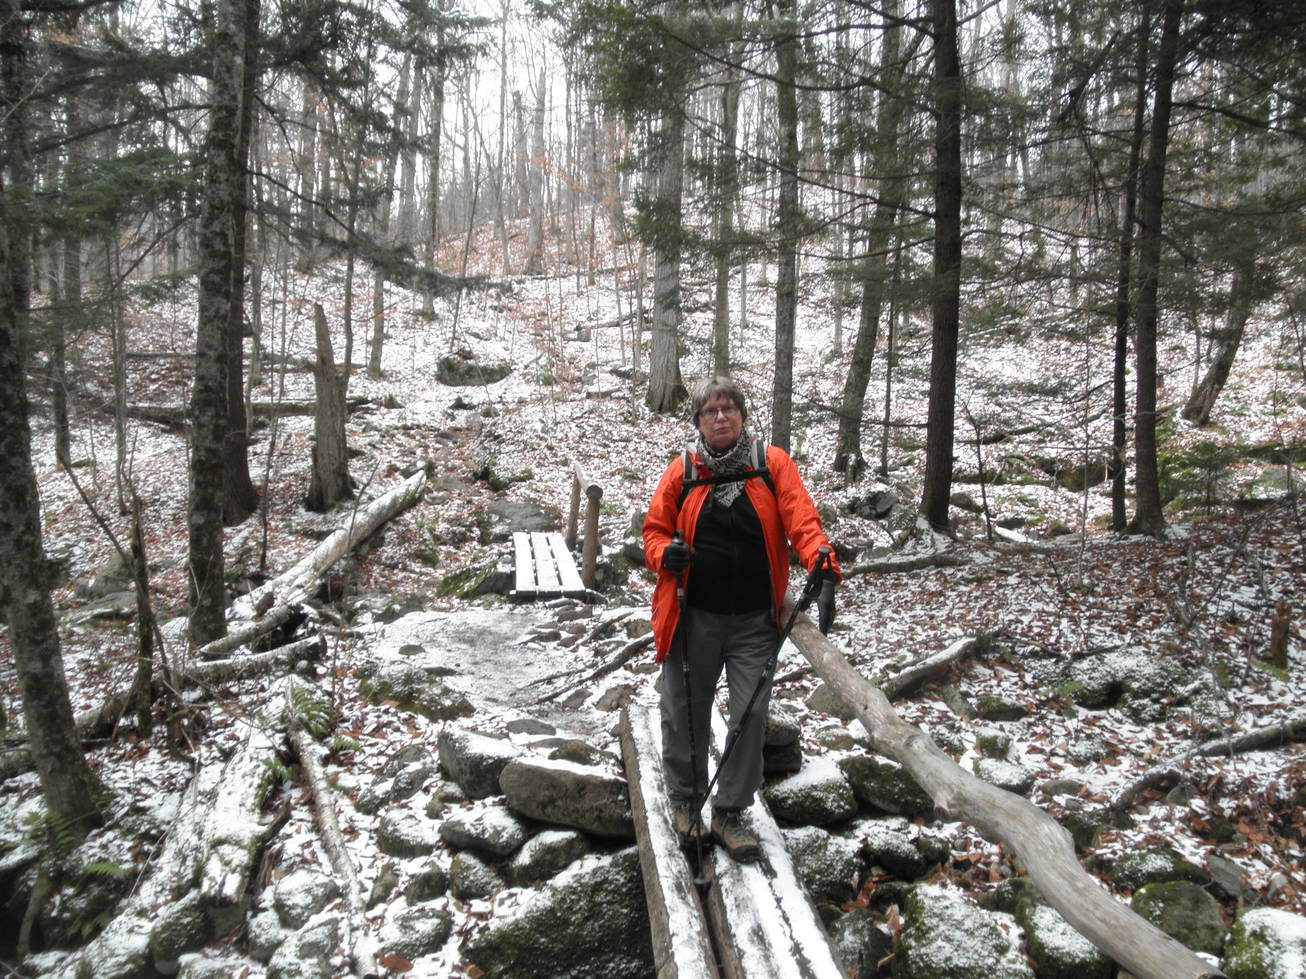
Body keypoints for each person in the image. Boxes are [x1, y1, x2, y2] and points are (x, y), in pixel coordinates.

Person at [643, 376, 840, 861]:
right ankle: (686, 803)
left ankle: (729, 811)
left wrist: (823, 566)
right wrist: (664, 554)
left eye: (729, 409)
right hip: (694, 619)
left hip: (755, 622)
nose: (721, 418)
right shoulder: (682, 471)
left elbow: (802, 521)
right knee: (684, 712)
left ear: (743, 416)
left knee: (750, 715)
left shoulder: (771, 465)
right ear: (698, 421)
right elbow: (653, 532)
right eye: (711, 411)